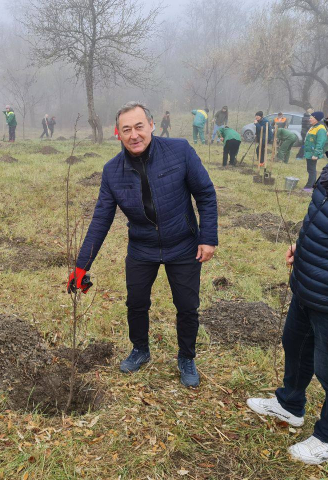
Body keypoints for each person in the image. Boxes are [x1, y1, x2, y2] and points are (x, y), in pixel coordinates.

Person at [247, 80, 328, 465]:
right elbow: (323, 217)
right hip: (310, 287)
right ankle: (289, 404)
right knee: (296, 347)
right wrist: (303, 247)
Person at [67, 102, 217, 387]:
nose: (134, 134)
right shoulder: (112, 171)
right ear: (118, 134)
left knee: (187, 306)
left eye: (139, 127)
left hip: (183, 244)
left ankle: (186, 357)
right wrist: (80, 266)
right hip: (142, 247)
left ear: (151, 125)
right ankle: (140, 349)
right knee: (136, 303)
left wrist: (208, 237)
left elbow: (206, 194)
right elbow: (101, 218)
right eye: (127, 129)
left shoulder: (180, 151)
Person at [302, 111, 328, 191]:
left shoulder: (321, 129)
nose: (309, 119)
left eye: (311, 118)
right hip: (309, 152)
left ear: (316, 119)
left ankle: (309, 187)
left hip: (313, 153)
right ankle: (312, 185)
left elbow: (320, 142)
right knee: (310, 169)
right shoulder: (313, 127)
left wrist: (316, 154)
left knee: (311, 169)